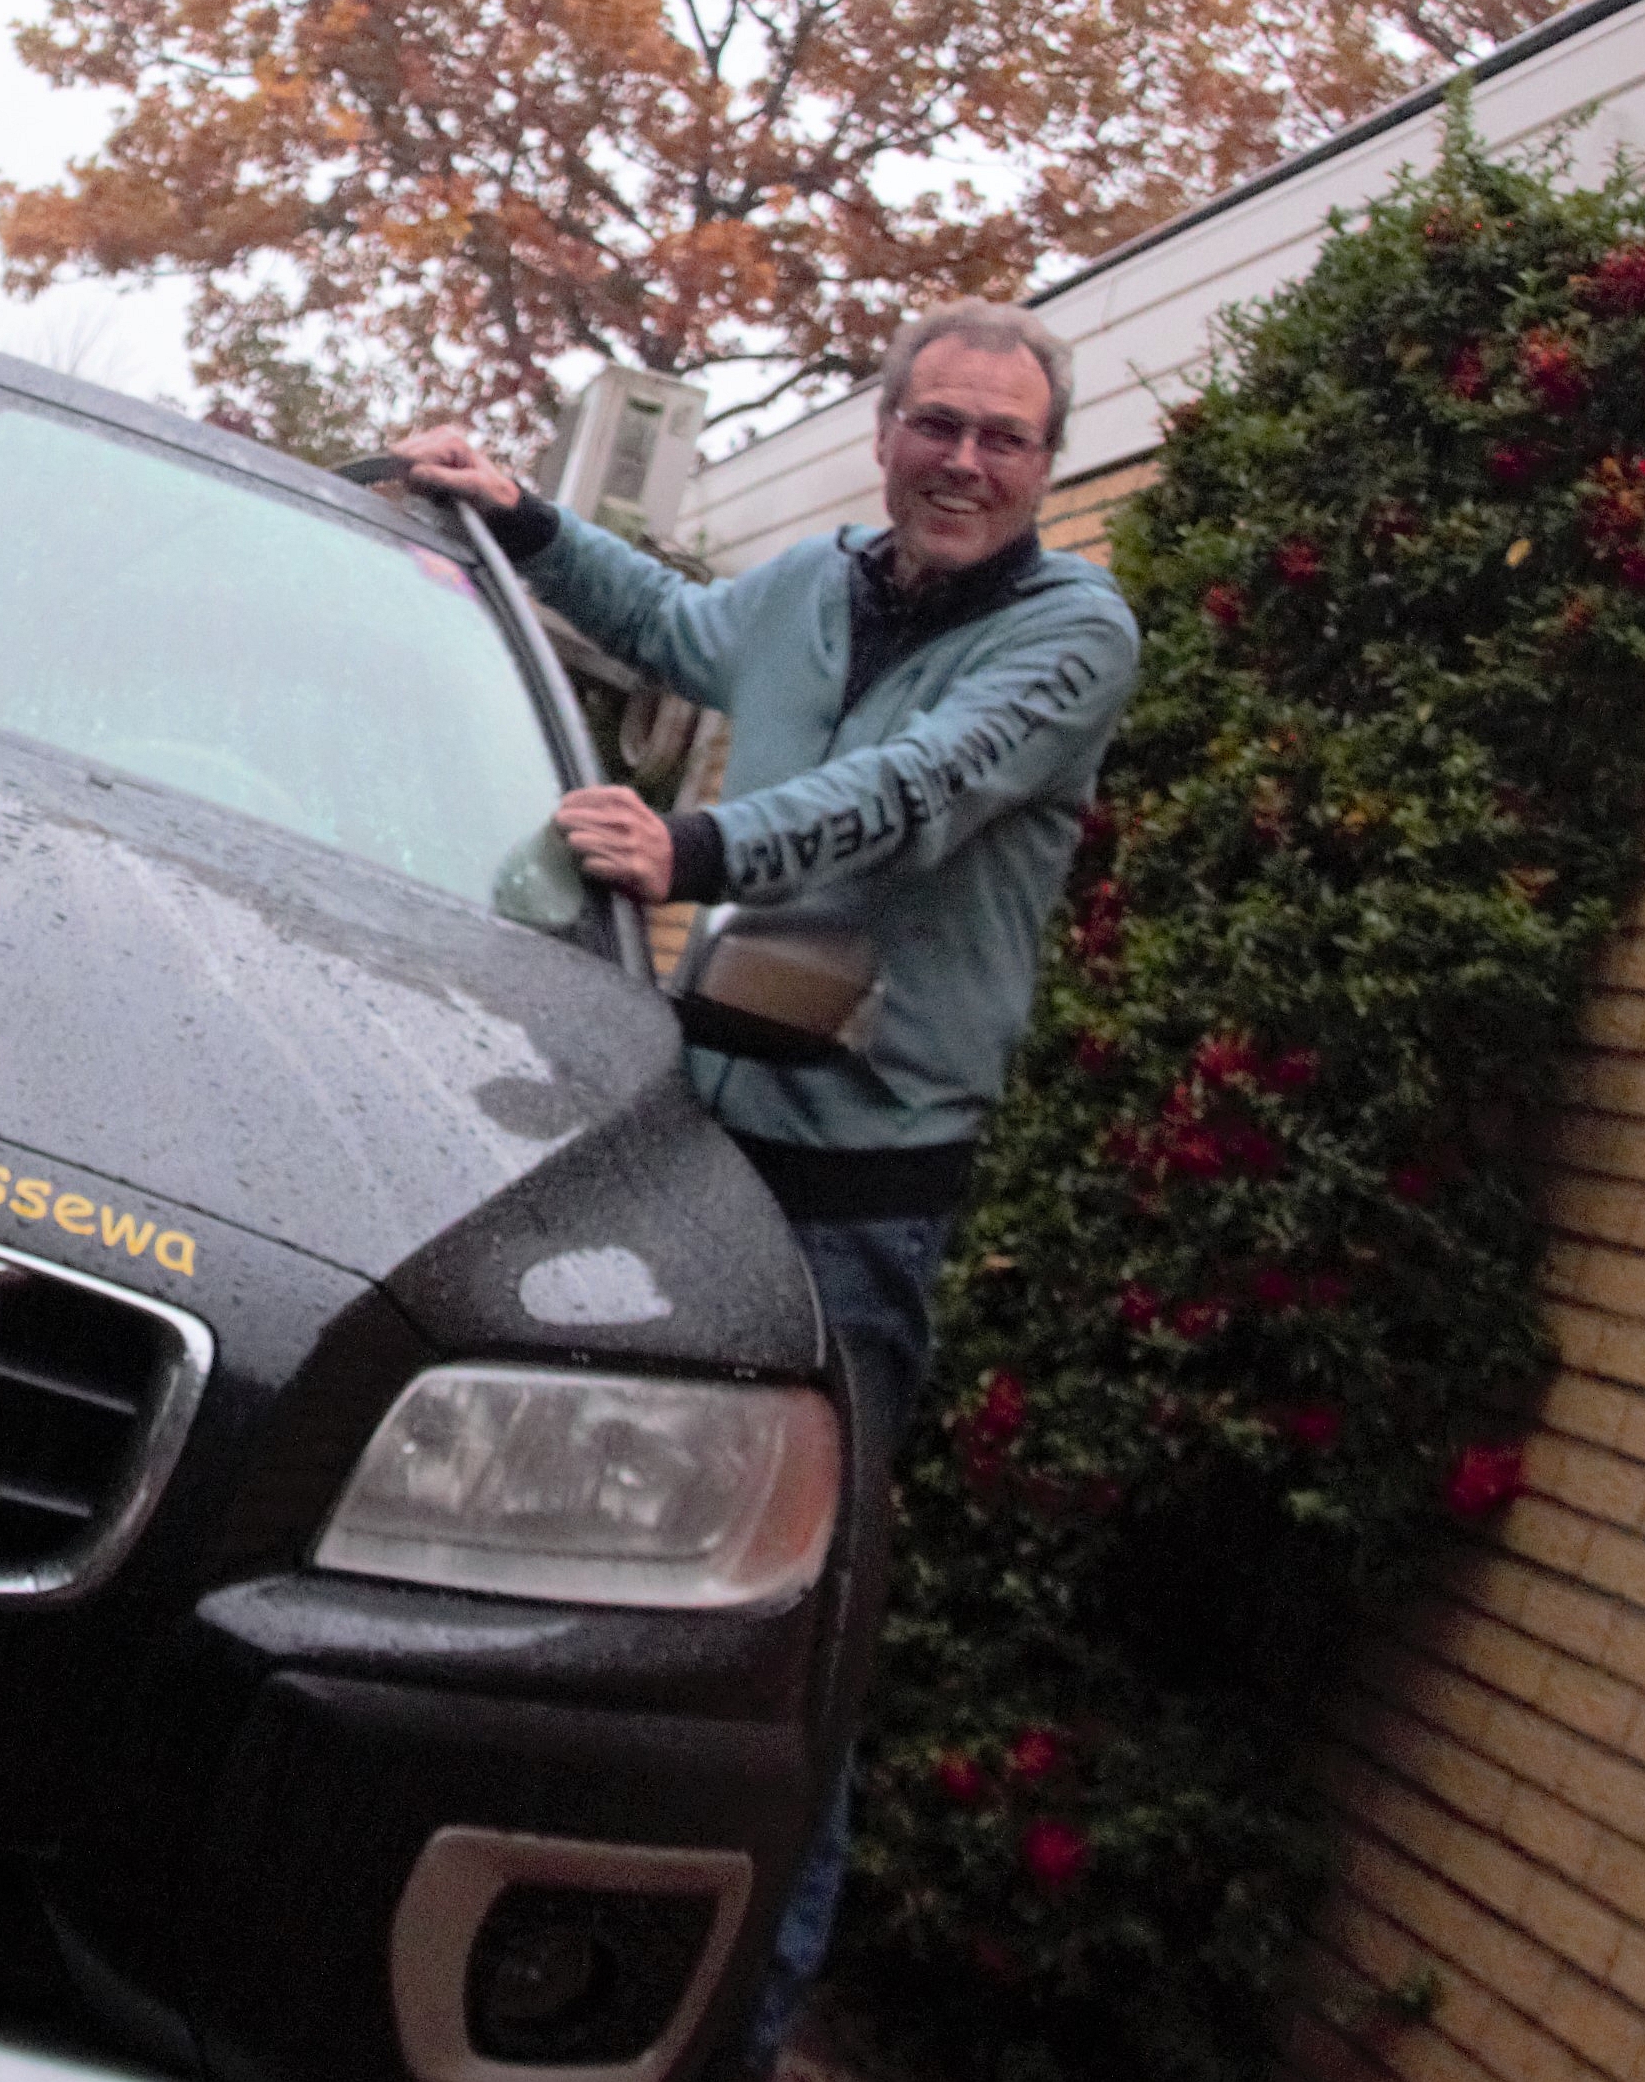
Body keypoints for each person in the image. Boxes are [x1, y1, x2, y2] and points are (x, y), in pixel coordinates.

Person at [391, 300, 1139, 2077]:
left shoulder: (1072, 633)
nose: (962, 459)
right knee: (587, 1545)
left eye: (1001, 439)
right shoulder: (815, 582)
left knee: (788, 1633)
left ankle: (735, 2032)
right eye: (935, 423)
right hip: (699, 1141)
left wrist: (698, 849)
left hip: (861, 1204)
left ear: (1046, 468)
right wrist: (526, 514)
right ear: (887, 430)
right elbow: (669, 624)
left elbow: (916, 790)